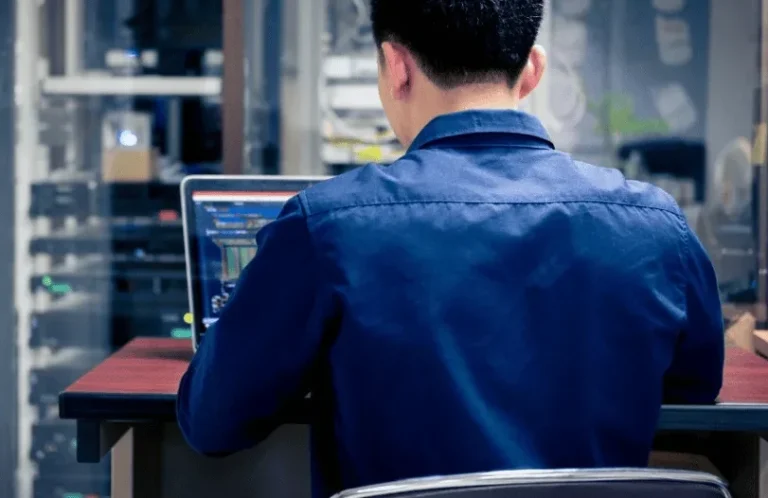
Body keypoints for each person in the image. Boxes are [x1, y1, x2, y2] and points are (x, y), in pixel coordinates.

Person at [177, 0, 724, 496]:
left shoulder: (327, 226)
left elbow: (213, 421)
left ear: (396, 66)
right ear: (533, 70)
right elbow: (694, 394)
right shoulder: (656, 226)